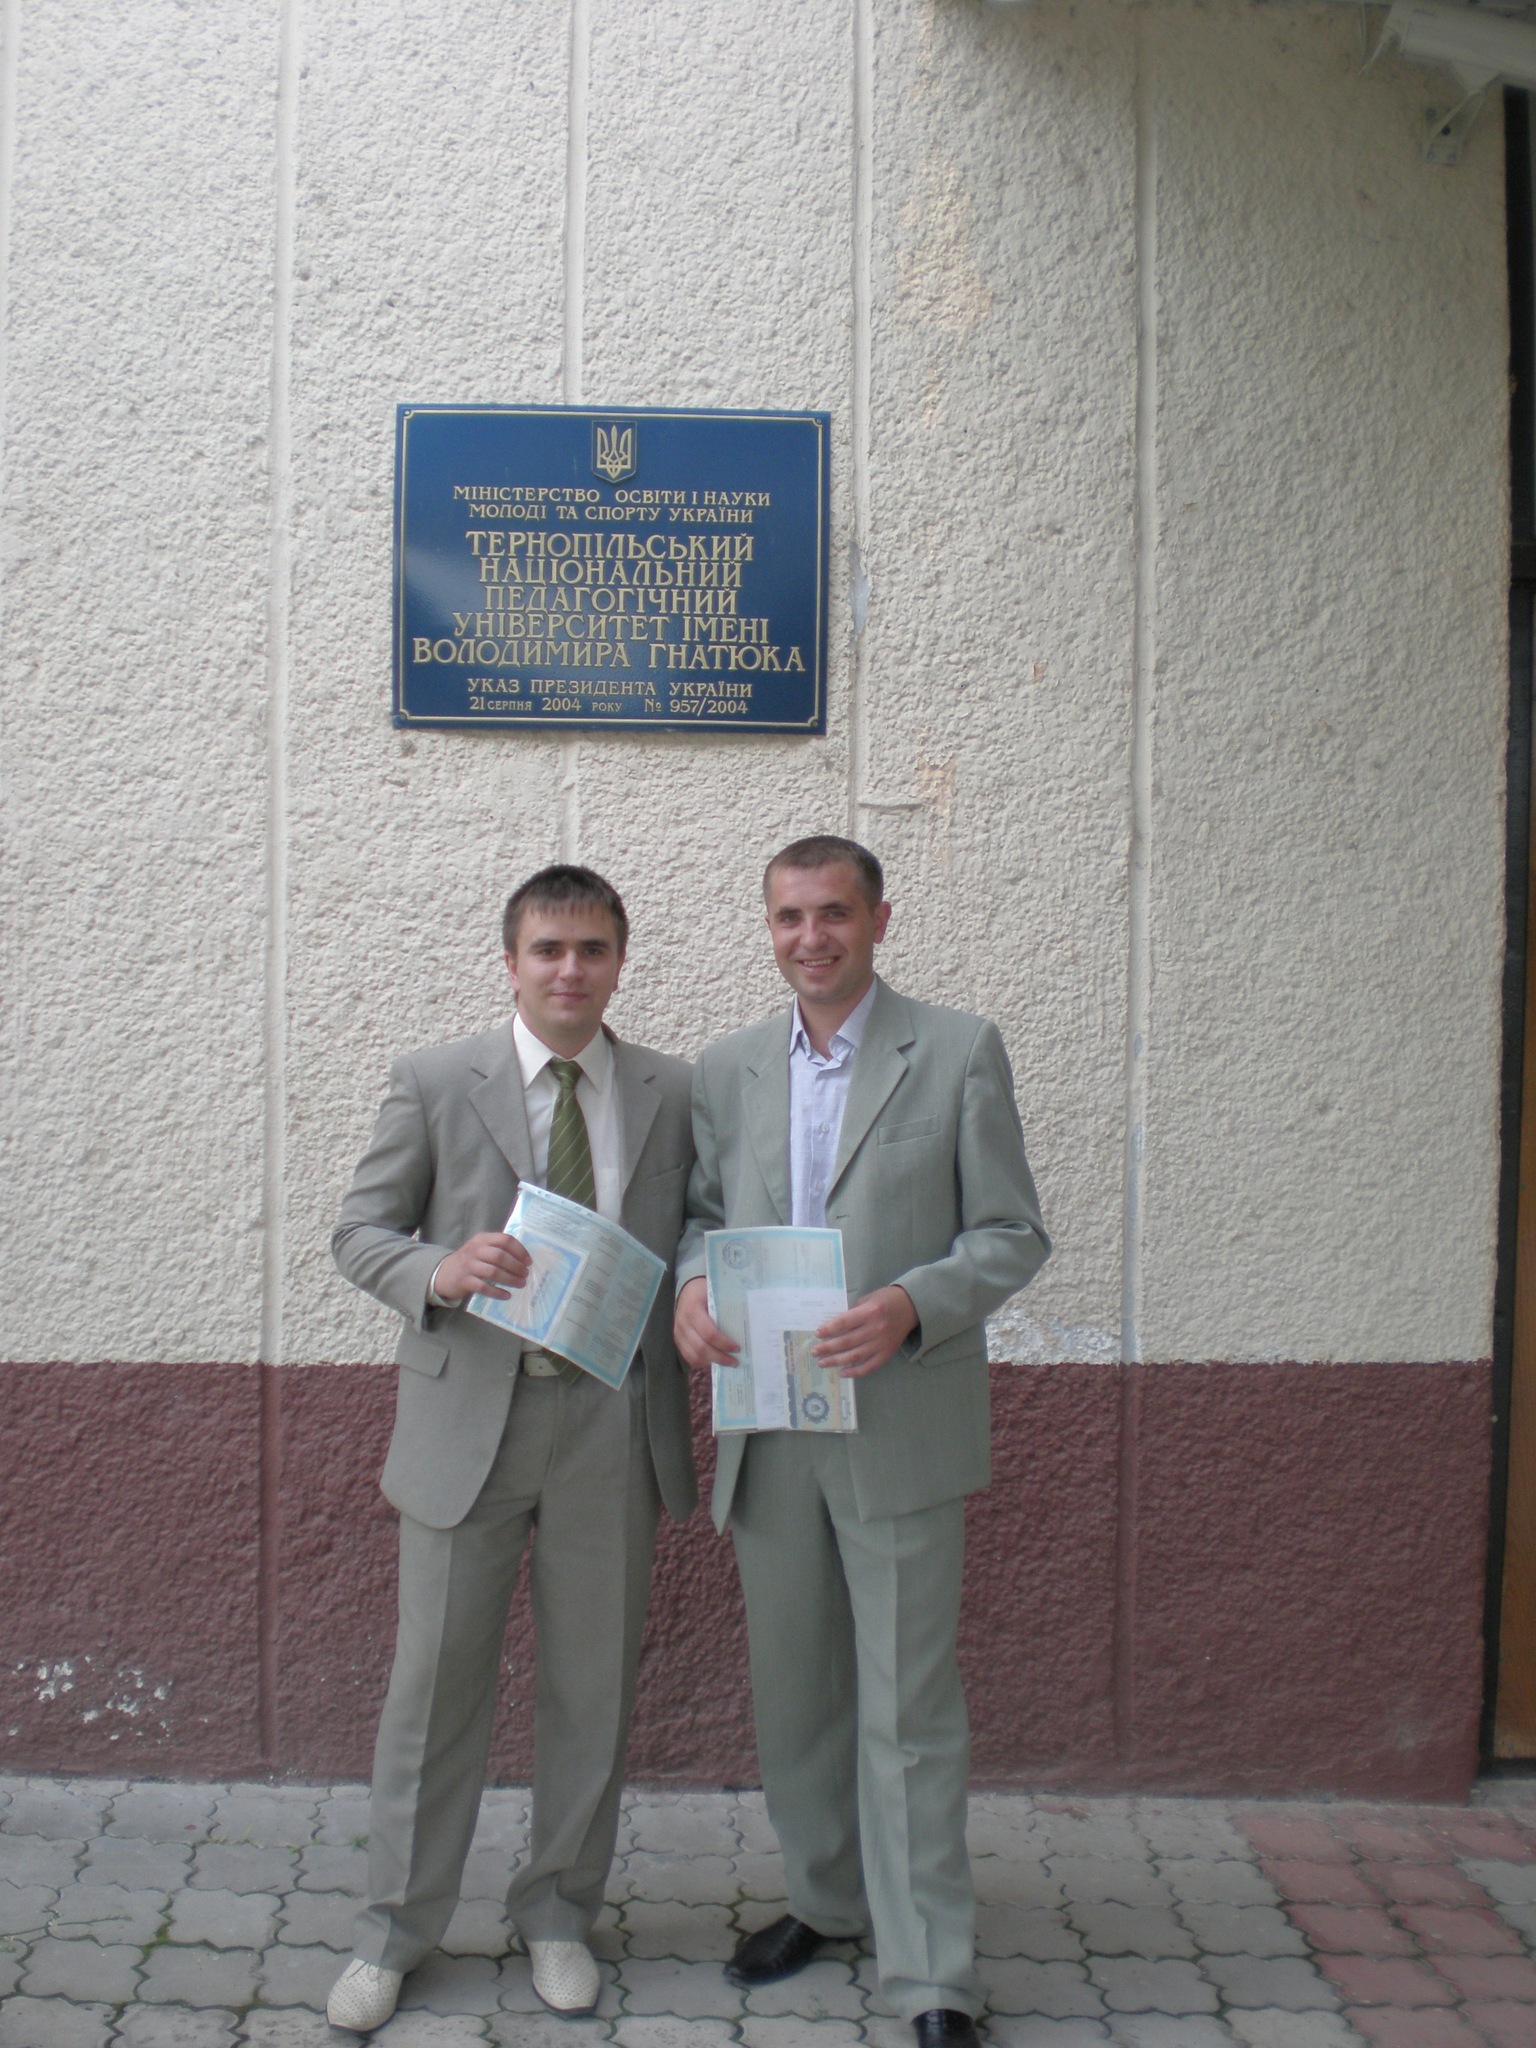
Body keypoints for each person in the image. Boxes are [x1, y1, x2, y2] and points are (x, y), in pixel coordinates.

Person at [673, 834, 1049, 2048]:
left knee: (908, 1706)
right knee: (796, 1693)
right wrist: (690, 1286)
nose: (811, 937)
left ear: (879, 919)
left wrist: (910, 1304)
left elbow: (1010, 1232)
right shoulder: (726, 1066)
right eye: (789, 916)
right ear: (768, 924)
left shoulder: (957, 1049)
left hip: (897, 1420)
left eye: (834, 913)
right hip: (769, 1419)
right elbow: (699, 1215)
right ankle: (827, 1900)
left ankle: (932, 1968)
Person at [327, 865, 695, 2035]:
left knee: (593, 1685)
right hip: (467, 1425)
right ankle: (395, 1929)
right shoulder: (437, 1080)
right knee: (434, 1688)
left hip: (608, 1420)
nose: (569, 969)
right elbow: (358, 1231)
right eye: (548, 948)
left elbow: (697, 1228)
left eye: (592, 948)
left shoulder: (672, 1088)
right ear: (511, 960)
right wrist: (438, 1268)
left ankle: (559, 1912)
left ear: (619, 961)